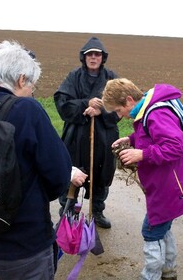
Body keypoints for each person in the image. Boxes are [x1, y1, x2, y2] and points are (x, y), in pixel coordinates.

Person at [0, 40, 87, 280]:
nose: (32, 91)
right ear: (22, 79)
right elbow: (58, 177)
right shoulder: (27, 110)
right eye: (32, 84)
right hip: (22, 253)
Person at [102, 78, 183, 280]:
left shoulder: (155, 113)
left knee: (151, 230)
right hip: (168, 183)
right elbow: (152, 135)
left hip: (171, 186)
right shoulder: (147, 109)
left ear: (129, 100)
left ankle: (150, 276)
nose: (119, 116)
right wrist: (131, 139)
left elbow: (174, 146)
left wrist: (142, 155)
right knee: (162, 227)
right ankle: (168, 271)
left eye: (117, 110)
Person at [54, 36, 119, 229]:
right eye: (89, 54)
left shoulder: (111, 78)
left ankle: (97, 211)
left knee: (101, 173)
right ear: (84, 57)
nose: (93, 57)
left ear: (102, 57)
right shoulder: (73, 77)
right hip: (76, 135)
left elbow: (121, 105)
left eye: (97, 54)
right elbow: (62, 102)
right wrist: (86, 103)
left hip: (104, 137)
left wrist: (101, 110)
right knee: (73, 171)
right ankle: (67, 210)